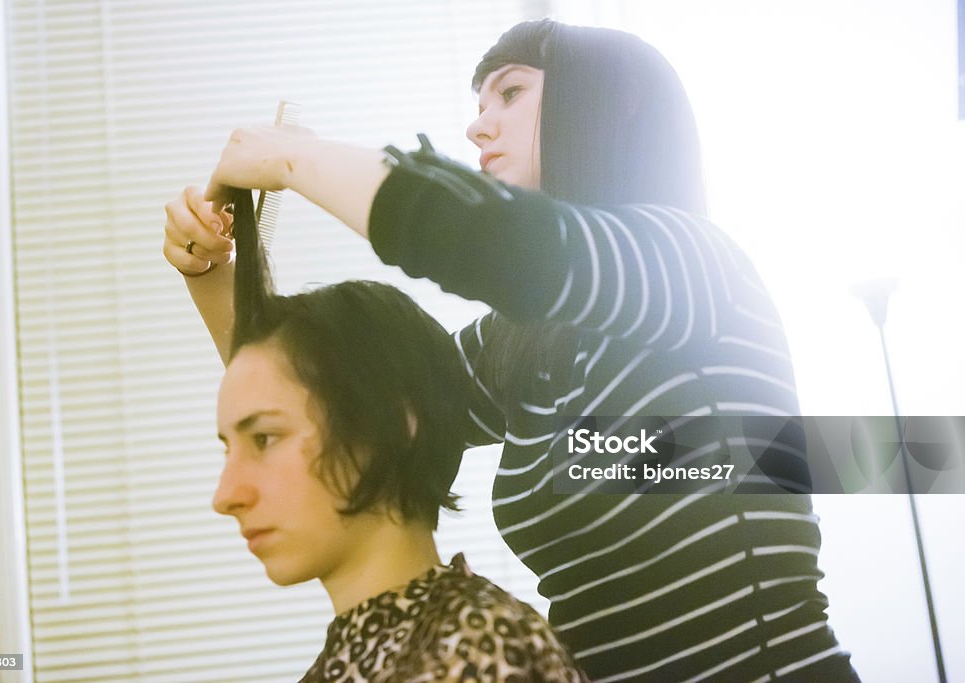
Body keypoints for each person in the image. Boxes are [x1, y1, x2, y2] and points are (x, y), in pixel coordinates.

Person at [166, 18, 859, 682]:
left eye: (511, 91)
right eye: (478, 100)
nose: (477, 123)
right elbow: (346, 397)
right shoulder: (520, 345)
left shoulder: (696, 266)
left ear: (600, 104)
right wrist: (212, 271)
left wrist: (294, 157)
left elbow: (487, 239)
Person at [211, 189, 588, 681]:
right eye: (228, 448)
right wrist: (208, 273)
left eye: (263, 439)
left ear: (390, 423)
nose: (225, 496)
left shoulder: (478, 650)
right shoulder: (404, 651)